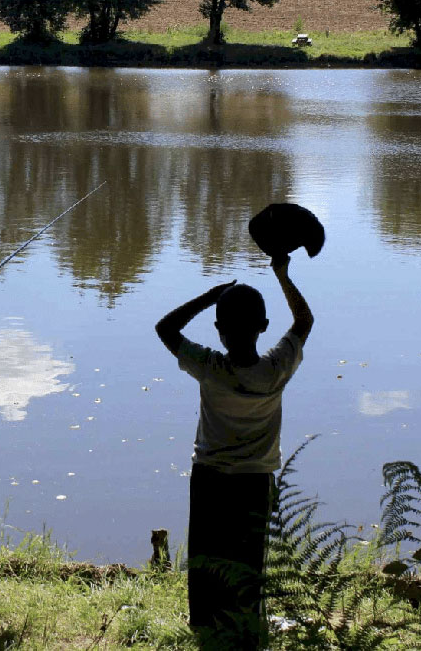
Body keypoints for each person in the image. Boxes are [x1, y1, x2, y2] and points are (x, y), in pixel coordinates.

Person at [155, 254, 314, 648]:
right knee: (248, 562)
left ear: (219, 330)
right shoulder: (276, 369)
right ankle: (245, 630)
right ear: (262, 327)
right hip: (255, 481)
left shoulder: (209, 367)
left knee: (207, 560)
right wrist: (282, 275)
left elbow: (166, 327)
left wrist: (210, 296)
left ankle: (205, 628)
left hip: (209, 477)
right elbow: (304, 322)